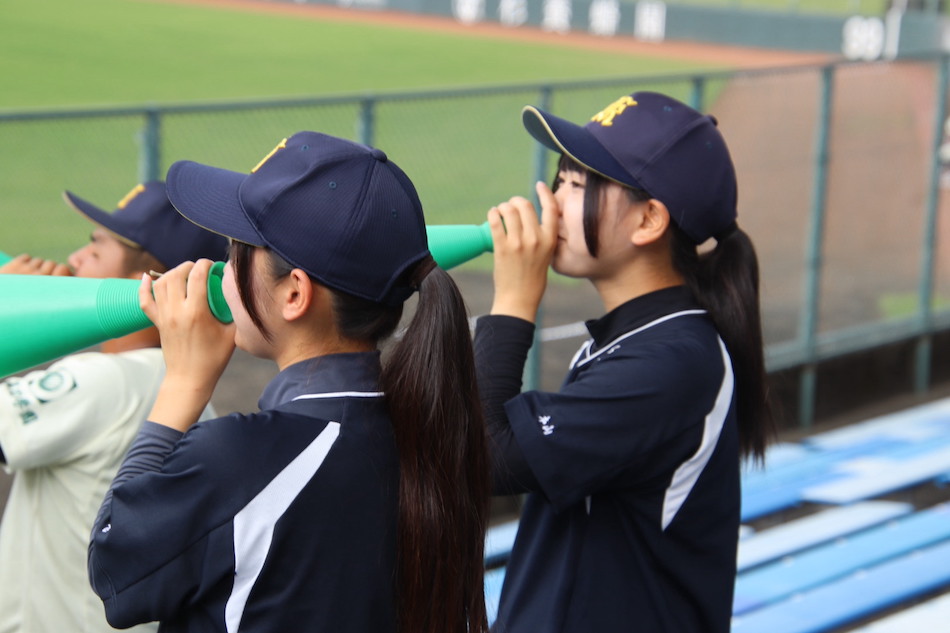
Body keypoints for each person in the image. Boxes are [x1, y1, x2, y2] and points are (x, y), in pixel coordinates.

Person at [87, 132, 491, 633]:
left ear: (295, 293)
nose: (220, 266)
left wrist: (184, 383)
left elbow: (115, 570)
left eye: (237, 249)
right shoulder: (426, 425)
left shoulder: (241, 457)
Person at [474, 91, 774, 632]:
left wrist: (514, 302)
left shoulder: (672, 364)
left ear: (649, 221)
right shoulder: (640, 343)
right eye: (560, 179)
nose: (549, 198)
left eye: (576, 185)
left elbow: (480, 457)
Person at [0, 180, 228, 633]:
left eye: (96, 249)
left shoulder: (104, 381)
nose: (75, 260)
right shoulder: (190, 388)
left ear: (143, 285)